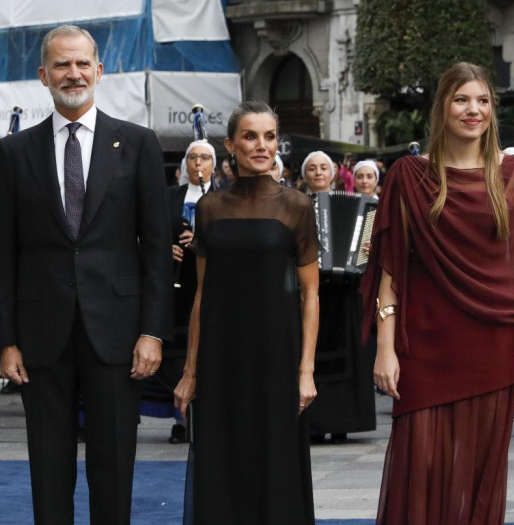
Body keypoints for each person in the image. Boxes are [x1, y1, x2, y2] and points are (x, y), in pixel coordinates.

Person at [0, 25, 171, 524]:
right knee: (49, 468)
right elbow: (3, 254)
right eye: (62, 65)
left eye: (83, 63)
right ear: (43, 74)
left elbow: (157, 250)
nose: (74, 74)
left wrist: (153, 330)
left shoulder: (137, 144)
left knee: (114, 464)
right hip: (39, 334)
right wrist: (6, 340)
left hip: (117, 332)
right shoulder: (15, 152)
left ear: (100, 70)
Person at [363, 63, 514, 524]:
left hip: (490, 341)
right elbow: (391, 268)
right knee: (421, 463)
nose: (473, 110)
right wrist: (385, 349)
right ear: (442, 107)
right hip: (423, 341)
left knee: (481, 466)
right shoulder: (408, 175)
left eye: (483, 101)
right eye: (462, 99)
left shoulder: (511, 175)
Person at [172, 100, 318, 523]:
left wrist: (305, 370)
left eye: (269, 136)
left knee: (275, 461)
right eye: (250, 136)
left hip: (277, 353)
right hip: (221, 354)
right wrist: (191, 370)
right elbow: (202, 293)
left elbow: (311, 295)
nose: (261, 145)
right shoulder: (210, 208)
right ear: (230, 144)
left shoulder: (296, 206)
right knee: (222, 460)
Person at [301, 151, 377, 443]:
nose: (318, 173)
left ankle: (345, 419)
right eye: (312, 168)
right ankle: (315, 421)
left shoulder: (359, 207)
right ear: (305, 174)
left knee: (350, 353)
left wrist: (367, 252)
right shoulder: (297, 203)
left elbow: (365, 247)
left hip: (346, 291)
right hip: (311, 291)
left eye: (323, 168)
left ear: (332, 172)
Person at [149, 138, 212, 445]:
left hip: (209, 283)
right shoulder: (170, 196)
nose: (198, 164)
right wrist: (166, 248)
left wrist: (201, 239)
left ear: (214, 165)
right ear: (185, 164)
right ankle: (180, 418)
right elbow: (153, 231)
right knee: (176, 350)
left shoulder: (223, 198)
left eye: (205, 158)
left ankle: (204, 414)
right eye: (193, 158)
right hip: (176, 285)